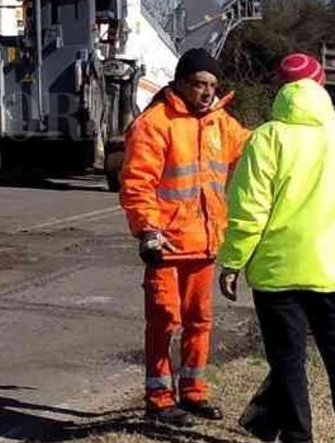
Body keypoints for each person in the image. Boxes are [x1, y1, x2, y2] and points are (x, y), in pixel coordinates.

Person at [216, 53, 335, 443]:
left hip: (277, 273)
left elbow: (249, 209)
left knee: (287, 360)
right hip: (332, 269)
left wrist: (232, 262)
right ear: (321, 83)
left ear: (281, 87)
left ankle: (297, 436)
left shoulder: (266, 137)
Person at [119, 47, 250, 426]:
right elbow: (137, 183)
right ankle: (158, 397)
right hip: (168, 244)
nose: (206, 92)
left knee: (200, 321)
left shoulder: (222, 123)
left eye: (212, 85)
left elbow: (252, 151)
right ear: (179, 83)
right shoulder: (155, 124)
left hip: (205, 243)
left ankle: (193, 391)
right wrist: (148, 231)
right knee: (164, 320)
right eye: (198, 84)